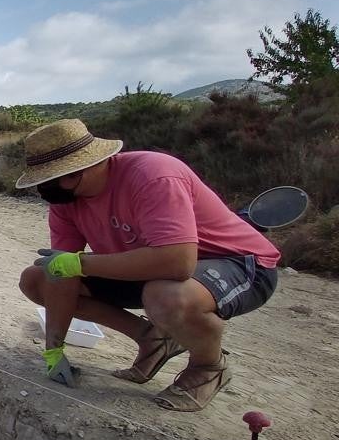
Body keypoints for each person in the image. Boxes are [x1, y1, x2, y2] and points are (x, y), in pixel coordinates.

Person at [16, 119, 280, 412]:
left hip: (239, 263)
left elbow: (177, 263)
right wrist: (54, 348)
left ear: (90, 163)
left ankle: (209, 366)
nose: (51, 189)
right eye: (45, 181)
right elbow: (60, 276)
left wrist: (81, 263)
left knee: (166, 295)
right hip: (152, 269)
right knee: (37, 278)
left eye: (59, 178)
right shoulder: (66, 201)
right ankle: (153, 339)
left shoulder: (153, 176)